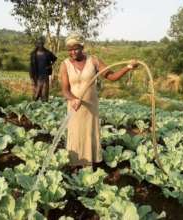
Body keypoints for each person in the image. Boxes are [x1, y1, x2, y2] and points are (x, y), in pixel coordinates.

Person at [59, 33, 139, 167]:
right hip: (75, 106)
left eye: (76, 48)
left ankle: (89, 163)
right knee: (75, 133)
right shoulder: (65, 65)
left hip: (90, 107)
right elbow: (65, 90)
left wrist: (128, 67)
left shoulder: (94, 61)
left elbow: (112, 76)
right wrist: (73, 99)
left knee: (89, 134)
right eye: (70, 49)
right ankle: (74, 163)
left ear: (82, 47)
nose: (73, 52)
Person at [29, 36, 57, 101]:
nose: (40, 45)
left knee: (44, 94)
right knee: (36, 94)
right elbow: (31, 66)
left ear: (43, 44)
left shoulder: (47, 53)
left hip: (45, 75)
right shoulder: (33, 54)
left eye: (42, 43)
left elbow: (55, 59)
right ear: (37, 44)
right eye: (39, 43)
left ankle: (44, 107)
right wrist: (31, 77)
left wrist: (50, 66)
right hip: (36, 76)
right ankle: (34, 107)